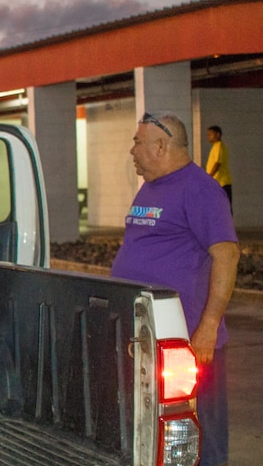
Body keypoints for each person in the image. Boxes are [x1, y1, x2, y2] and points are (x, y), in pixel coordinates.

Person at [111, 112, 238, 466]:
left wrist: (209, 327)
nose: (132, 150)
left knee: (202, 434)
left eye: (138, 142)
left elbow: (227, 255)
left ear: (162, 146)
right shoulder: (152, 186)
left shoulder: (201, 190)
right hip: (150, 338)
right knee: (159, 434)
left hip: (189, 340)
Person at [205, 125, 232, 213]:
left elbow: (217, 164)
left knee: (223, 207)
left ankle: (227, 226)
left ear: (218, 134)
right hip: (217, 182)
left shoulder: (219, 146)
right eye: (208, 134)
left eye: (211, 134)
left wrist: (209, 177)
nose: (208, 136)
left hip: (221, 183)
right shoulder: (215, 146)